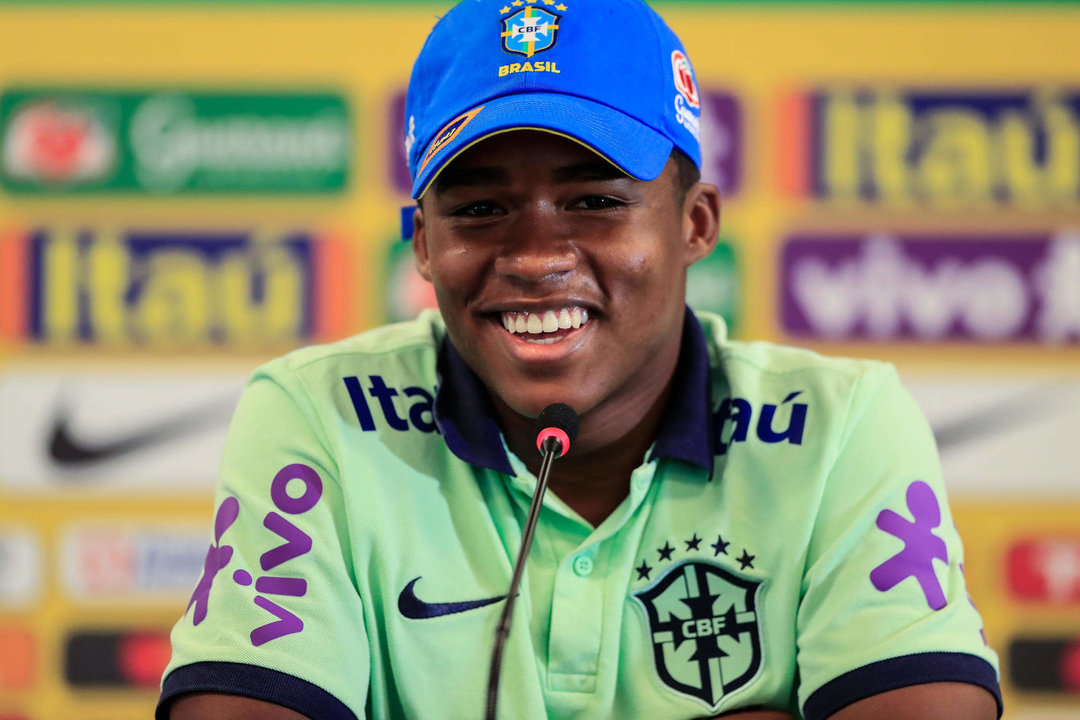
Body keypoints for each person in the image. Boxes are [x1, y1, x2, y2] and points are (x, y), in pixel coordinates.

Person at [157, 0, 1002, 718]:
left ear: (694, 223)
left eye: (594, 199)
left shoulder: (841, 425)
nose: (533, 255)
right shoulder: (322, 415)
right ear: (423, 245)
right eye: (480, 207)